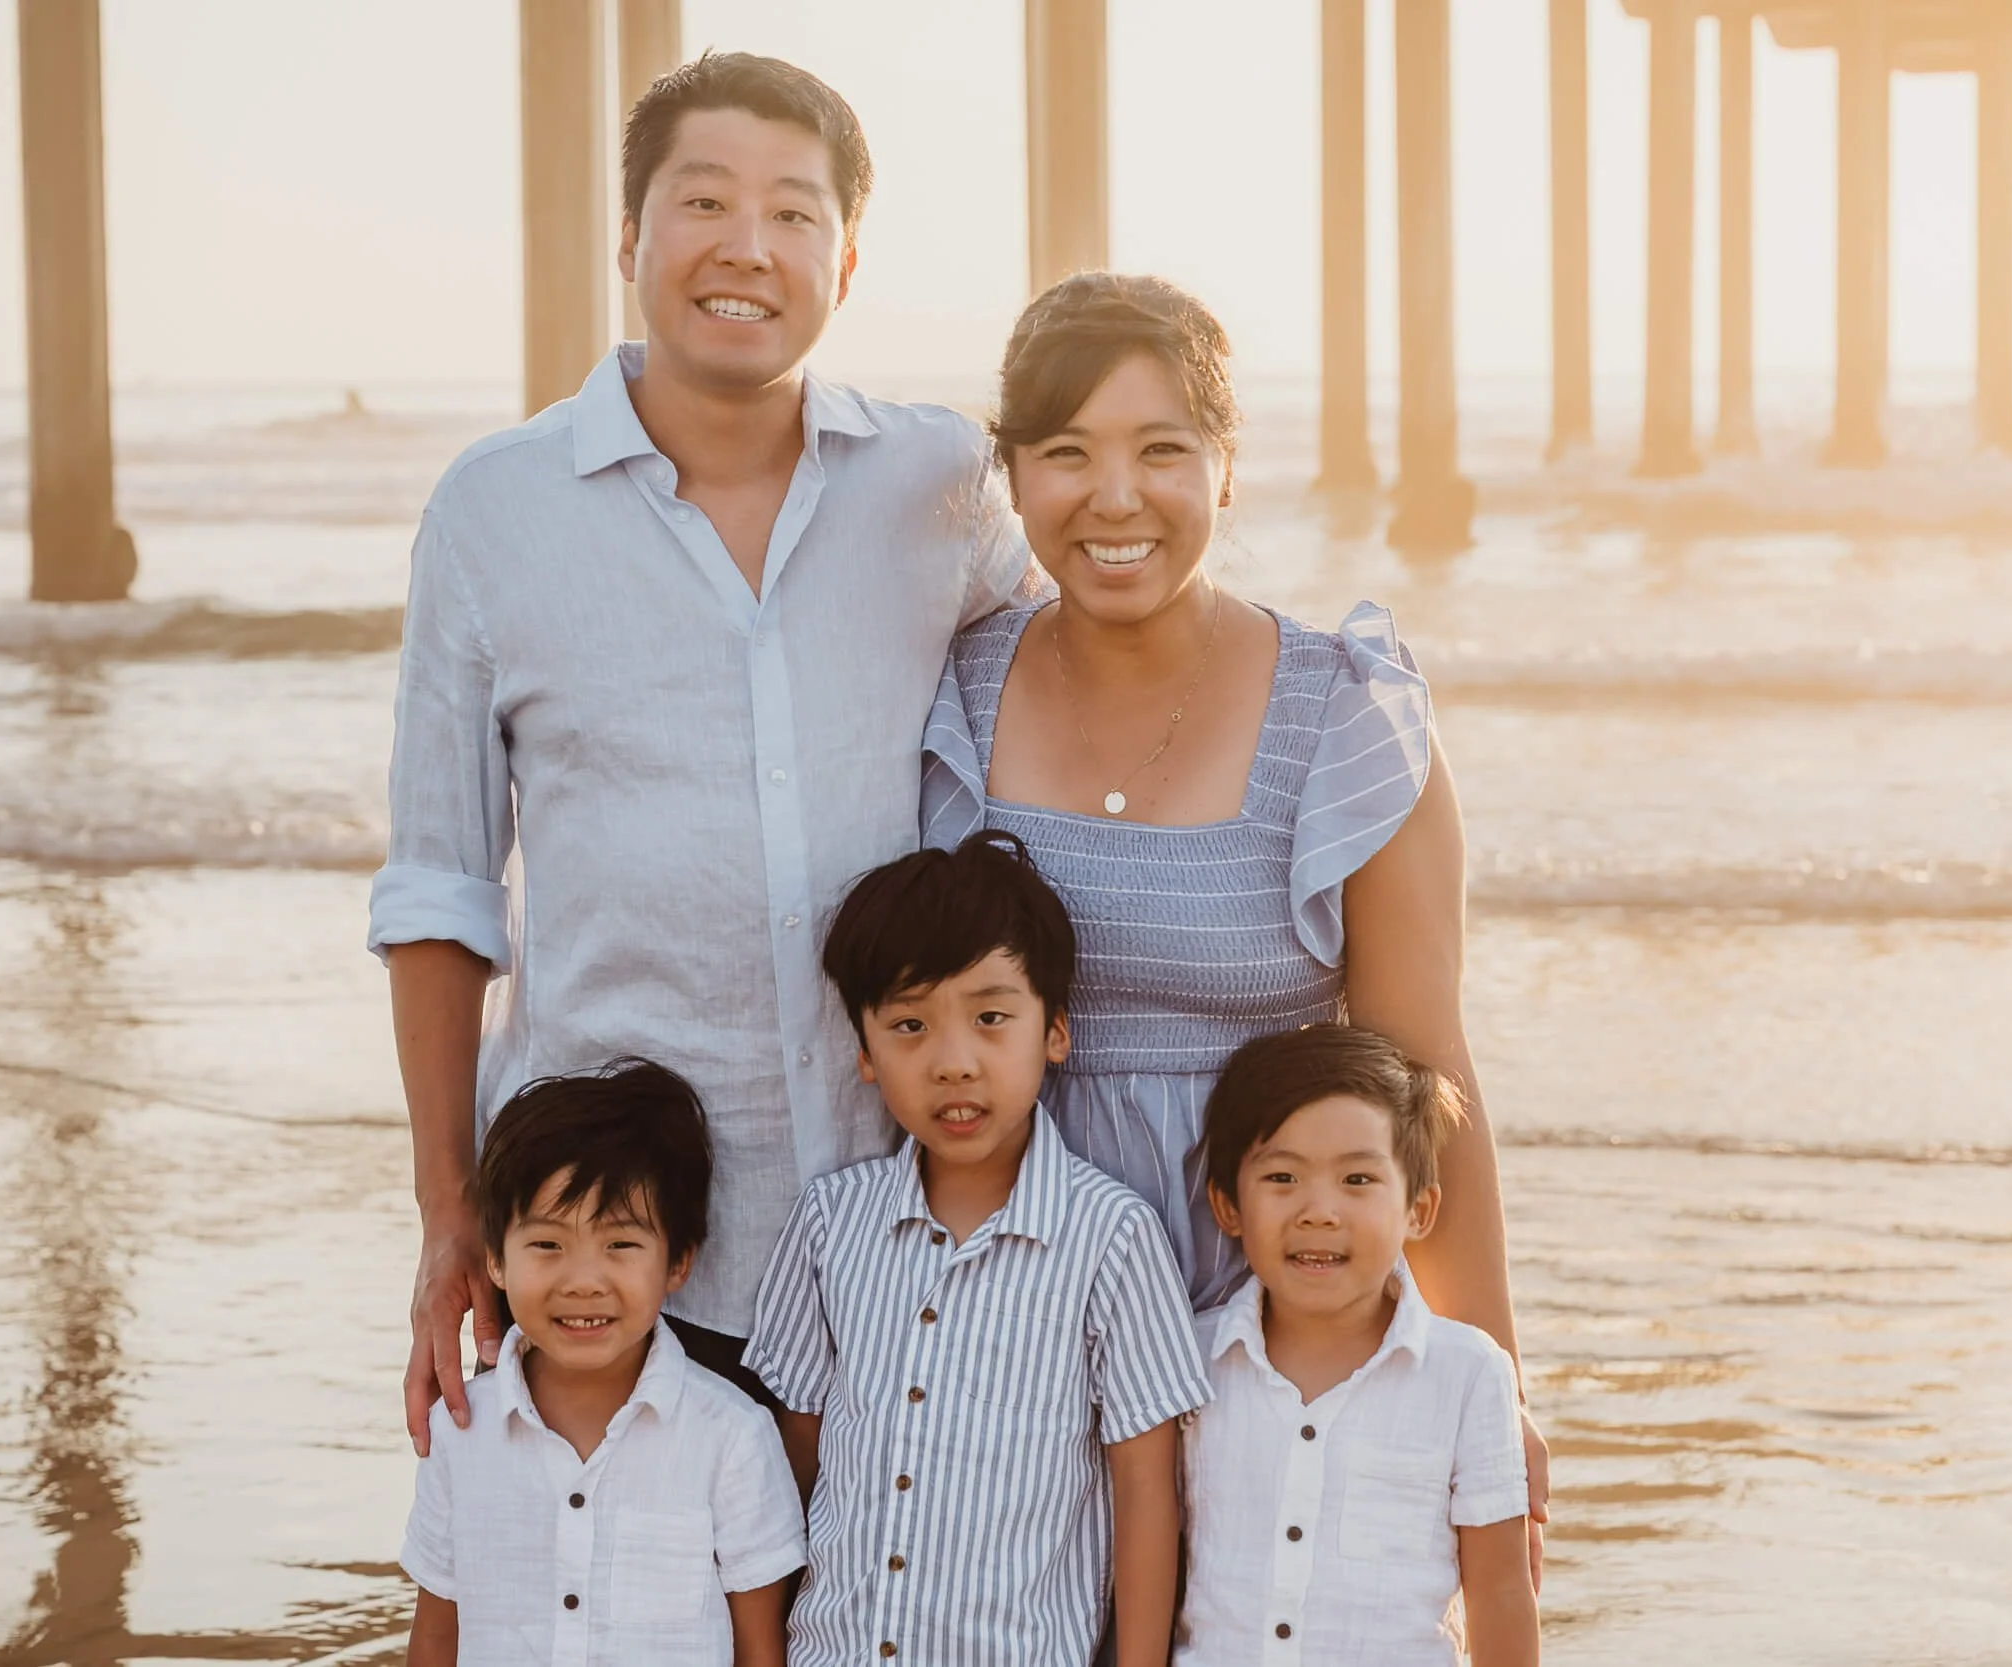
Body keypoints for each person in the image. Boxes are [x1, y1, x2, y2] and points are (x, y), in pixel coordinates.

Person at [370, 51, 1031, 1454]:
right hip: (610, 1251)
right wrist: (446, 1211)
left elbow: (1082, 670)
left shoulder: (942, 487)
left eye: (794, 213)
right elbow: (440, 886)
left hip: (897, 1224)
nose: (748, 247)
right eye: (705, 202)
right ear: (631, 238)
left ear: (846, 264)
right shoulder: (496, 510)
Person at [918, 271, 1548, 1571]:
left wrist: (1491, 1390)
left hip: (1277, 1332)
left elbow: (1427, 1075)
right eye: (1066, 453)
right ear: (1013, 472)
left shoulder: (1345, 721)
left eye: (1162, 449)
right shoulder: (949, 699)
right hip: (1005, 1324)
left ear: (1224, 465)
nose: (1115, 496)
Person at [744, 831, 1210, 1667]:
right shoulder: (829, 1224)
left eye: (992, 1018)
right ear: (864, 1052)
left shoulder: (1111, 1237)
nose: (954, 1062)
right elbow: (793, 1469)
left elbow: (1146, 1495)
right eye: (910, 1025)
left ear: (1054, 1031)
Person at [400, 1059, 804, 1667]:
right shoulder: (459, 1433)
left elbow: (760, 1647)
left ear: (678, 1263)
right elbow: (436, 1635)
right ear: (496, 1262)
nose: (584, 1282)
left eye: (620, 1245)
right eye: (547, 1245)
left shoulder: (733, 1436)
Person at [1177, 1026, 1536, 1667]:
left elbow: (1502, 1591)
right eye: (1283, 1176)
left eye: (1358, 1180)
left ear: (1418, 1211)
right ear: (1227, 1206)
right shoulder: (1186, 1360)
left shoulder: (1471, 1372)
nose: (1319, 1210)